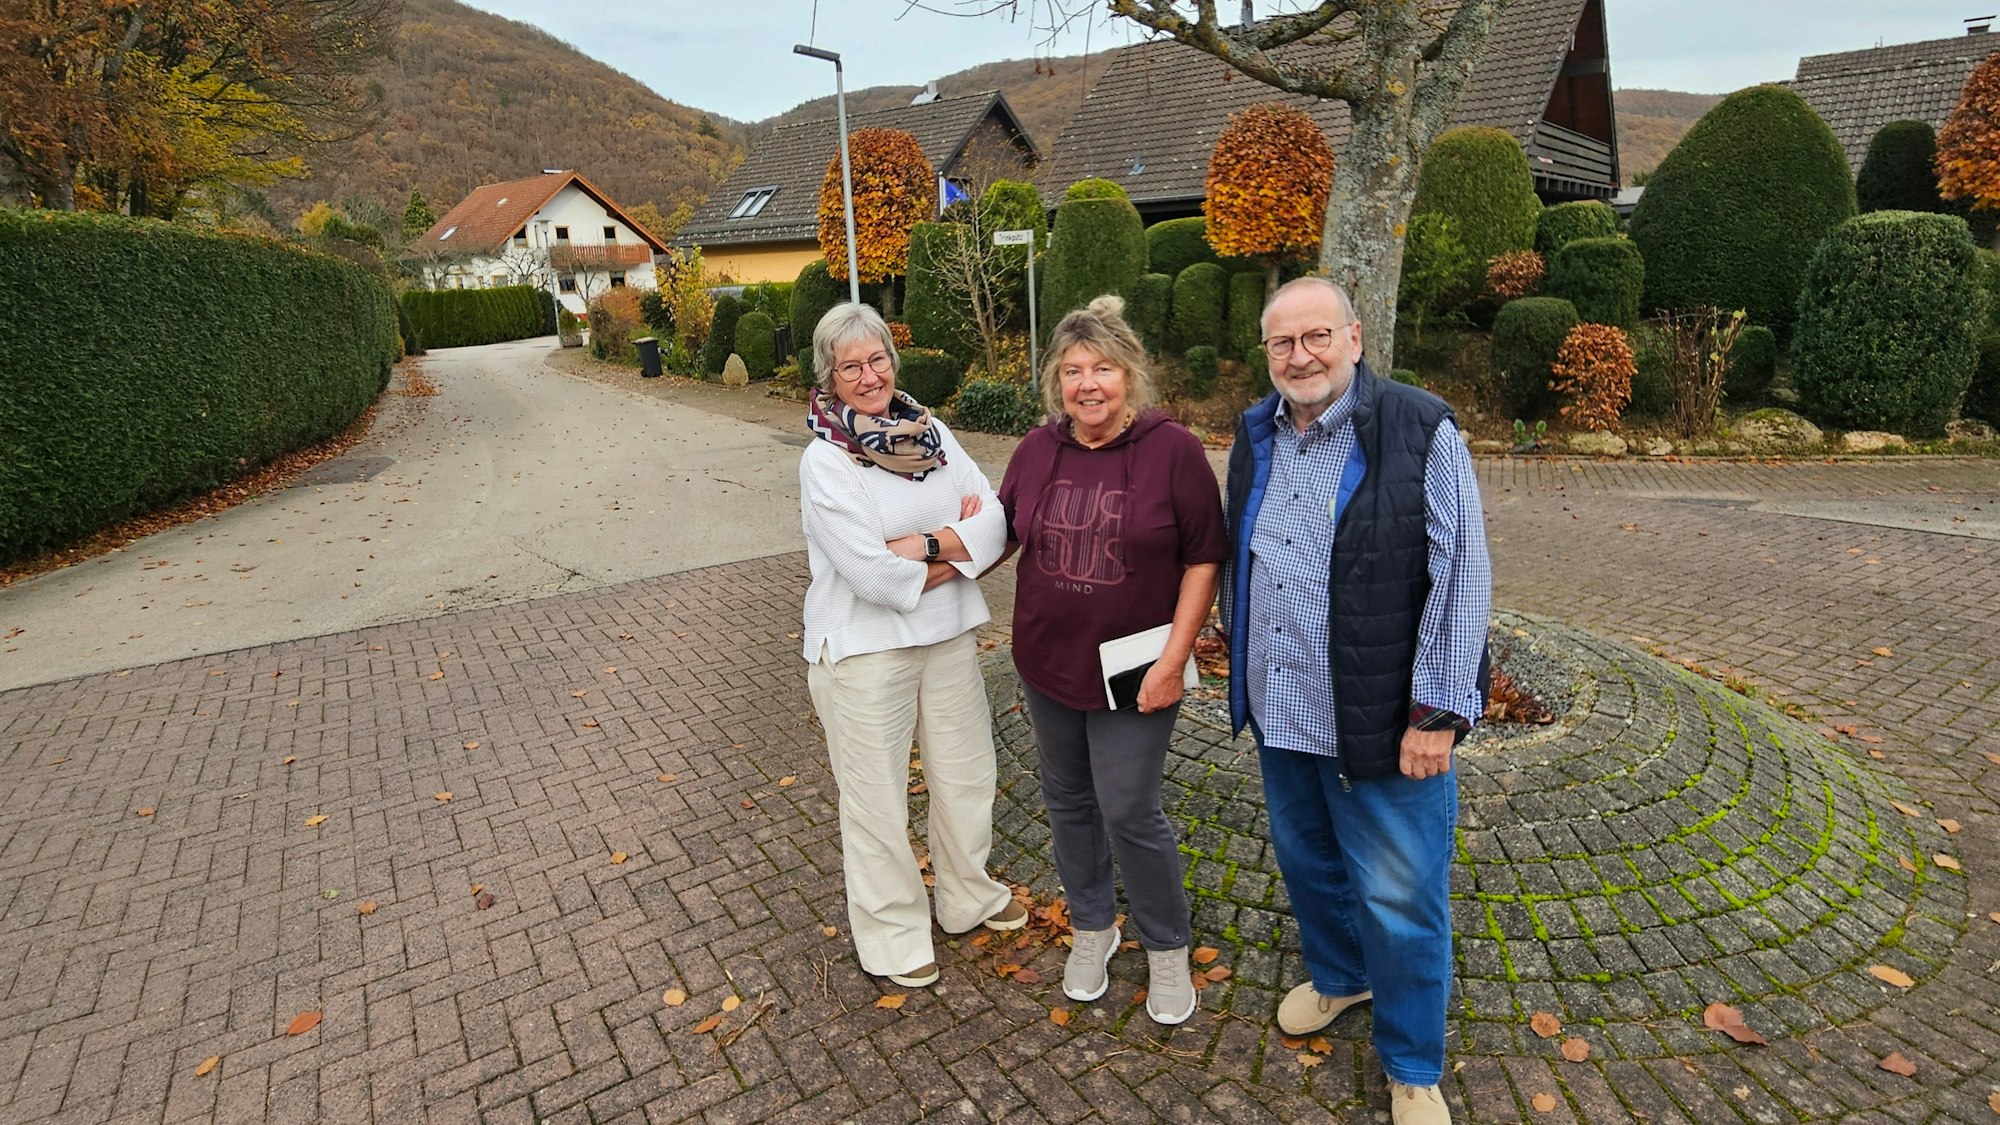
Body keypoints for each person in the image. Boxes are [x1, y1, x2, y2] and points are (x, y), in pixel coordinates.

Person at [1220, 277, 1490, 1125]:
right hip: (1285, 709)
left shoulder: (1417, 425)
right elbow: (1243, 548)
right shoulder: (1255, 430)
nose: (1299, 356)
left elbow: (1462, 573)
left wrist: (1439, 712)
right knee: (1309, 864)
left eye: (1316, 337)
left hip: (1382, 717)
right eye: (1281, 343)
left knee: (1402, 893)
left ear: (1355, 337)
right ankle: (1342, 978)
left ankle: (1412, 1065)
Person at [997, 295, 1227, 1025]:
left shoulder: (1173, 451)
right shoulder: (1037, 450)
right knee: (1068, 802)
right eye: (1072, 371)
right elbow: (1000, 530)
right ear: (1055, 382)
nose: (1087, 384)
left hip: (1136, 669)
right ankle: (1095, 927)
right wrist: (928, 560)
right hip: (1047, 660)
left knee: (1128, 806)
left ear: (1130, 375)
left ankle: (1166, 945)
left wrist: (1174, 655)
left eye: (1102, 368)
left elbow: (1204, 558)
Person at [798, 302, 1028, 988]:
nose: (868, 375)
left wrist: (926, 547)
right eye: (850, 366)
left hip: (949, 634)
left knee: (965, 777)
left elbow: (996, 518)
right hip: (865, 648)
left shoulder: (930, 431)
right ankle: (894, 933)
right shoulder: (824, 461)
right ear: (829, 377)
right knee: (877, 803)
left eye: (877, 359)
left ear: (893, 361)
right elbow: (871, 573)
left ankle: (966, 895)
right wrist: (958, 552)